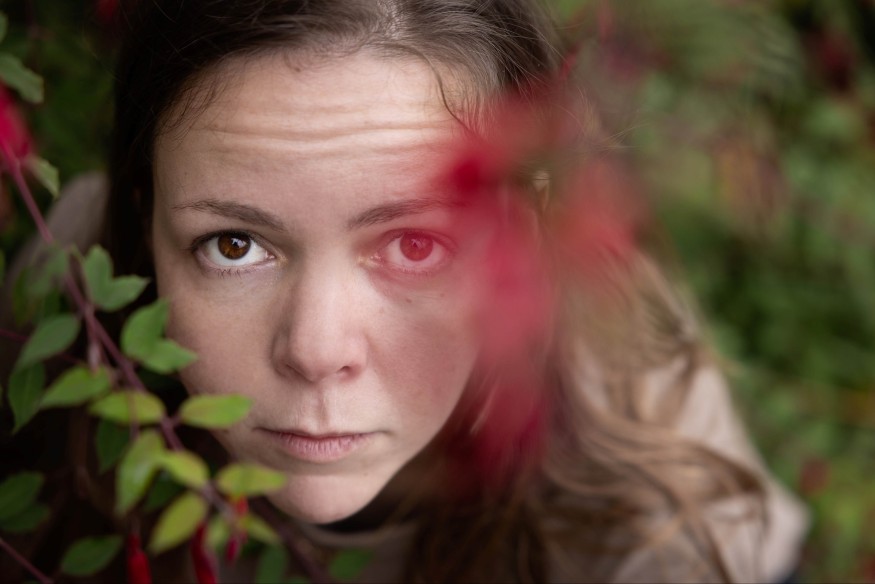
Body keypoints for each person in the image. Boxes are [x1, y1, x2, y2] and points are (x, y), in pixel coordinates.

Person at [5, 0, 807, 581]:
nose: (316, 351)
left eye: (415, 244)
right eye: (234, 244)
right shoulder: (63, 304)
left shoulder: (648, 484)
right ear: (144, 218)